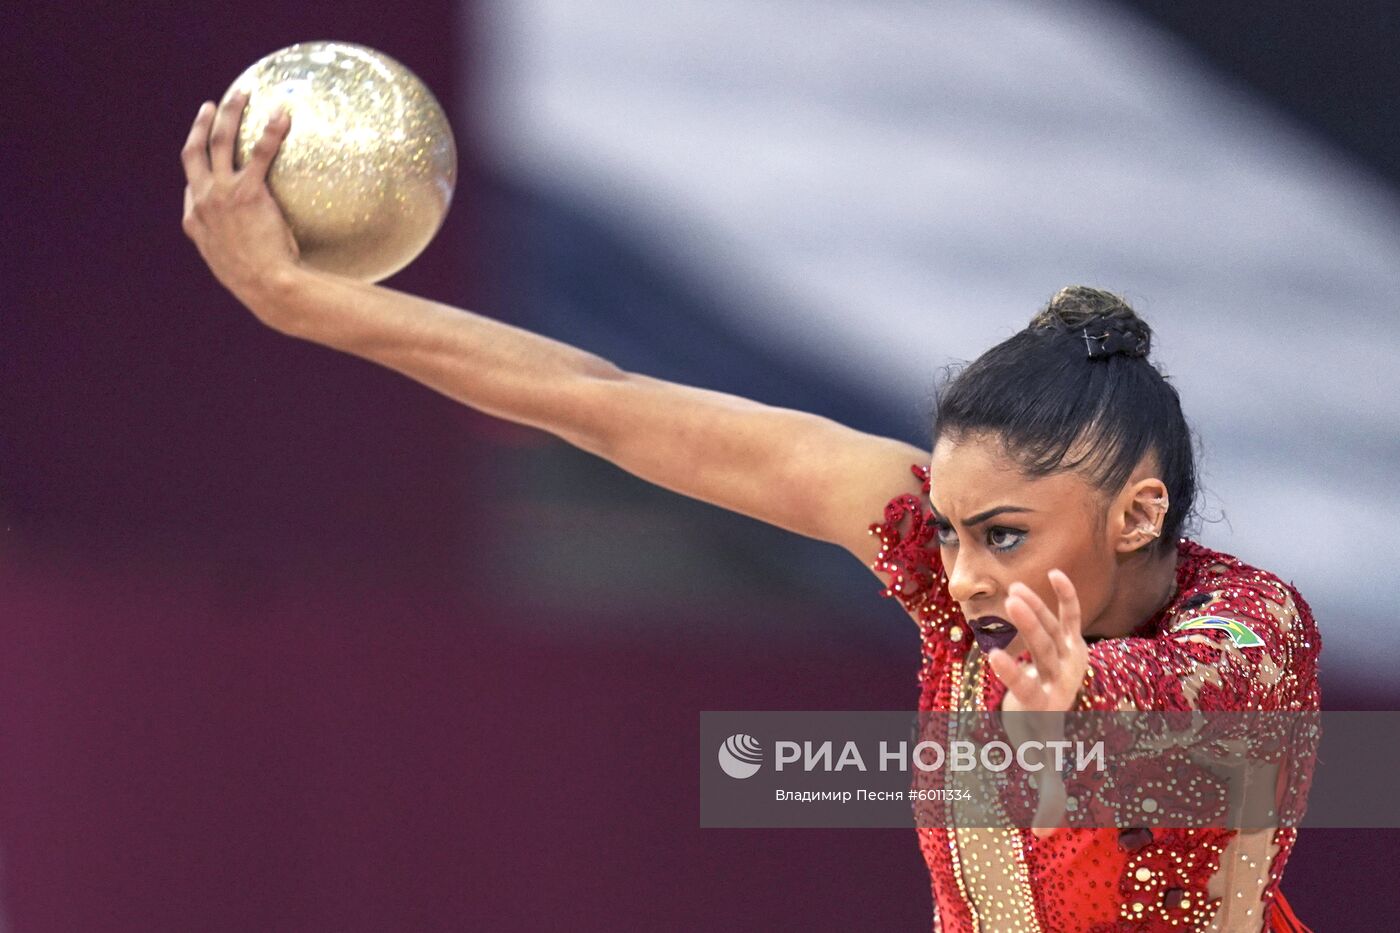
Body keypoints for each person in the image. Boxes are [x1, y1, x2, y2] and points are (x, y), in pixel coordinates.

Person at [180, 93, 1320, 932]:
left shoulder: (1250, 629)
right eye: (951, 526)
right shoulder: (947, 578)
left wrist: (1083, 695)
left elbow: (1196, 689)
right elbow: (598, 400)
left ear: (1136, 516)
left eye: (1004, 535)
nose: (962, 572)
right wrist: (303, 304)